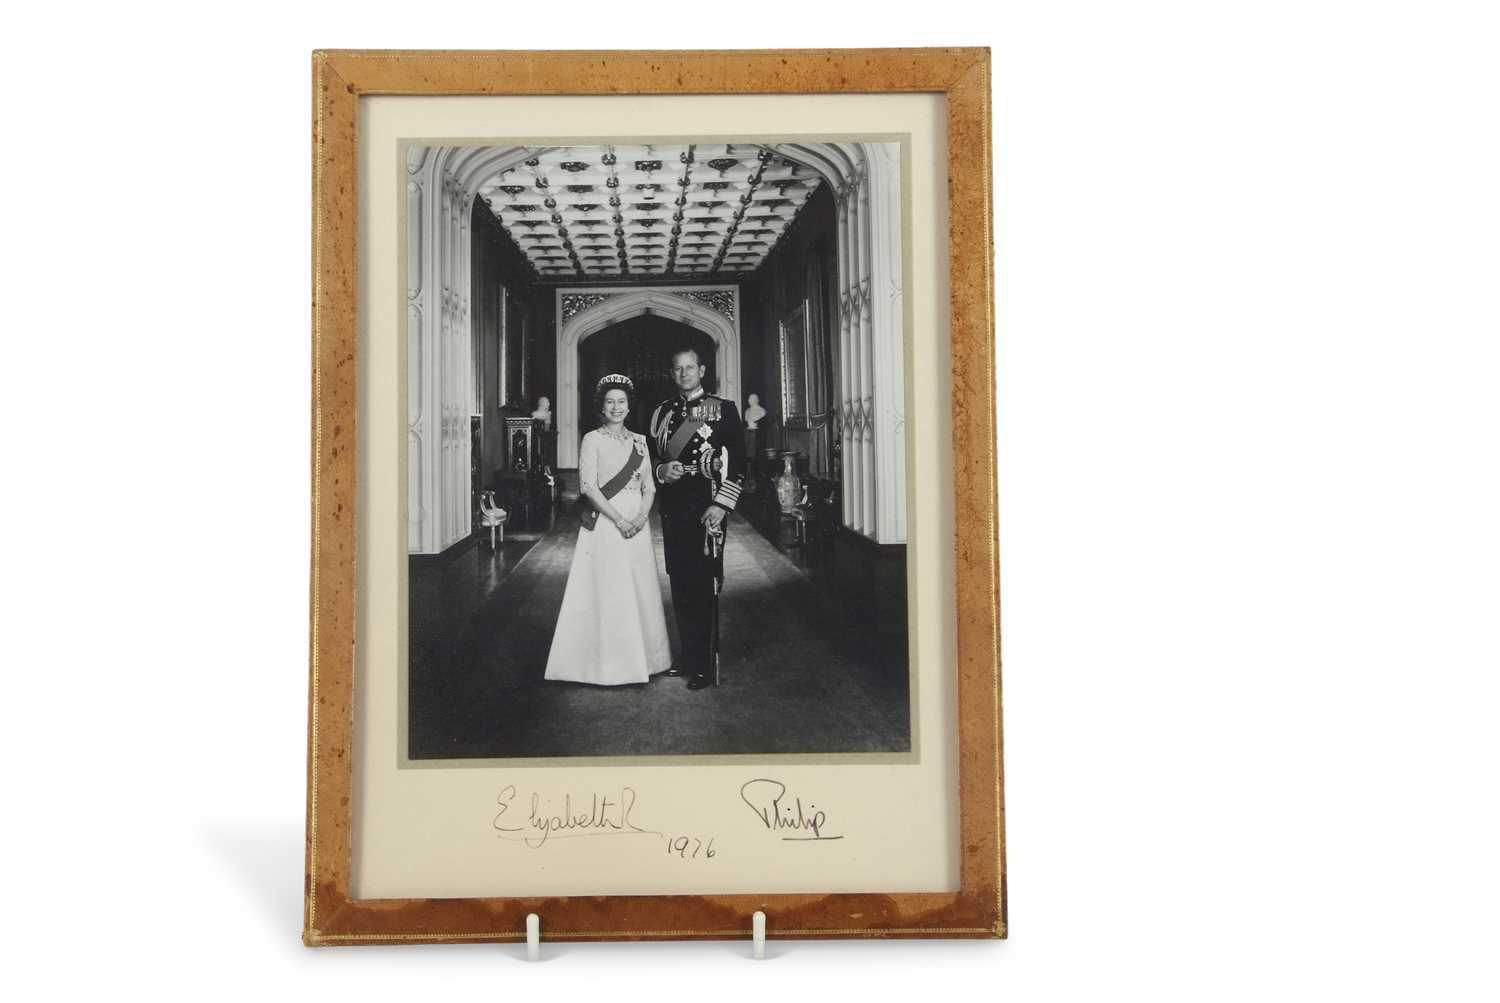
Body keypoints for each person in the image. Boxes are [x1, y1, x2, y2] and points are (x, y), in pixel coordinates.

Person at [543, 375, 671, 685]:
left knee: (637, 587)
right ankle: (607, 666)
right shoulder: (592, 439)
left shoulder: (641, 440)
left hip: (637, 522)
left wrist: (640, 517)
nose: (616, 407)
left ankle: (646, 661)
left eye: (621, 402)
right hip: (605, 521)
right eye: (610, 402)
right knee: (608, 589)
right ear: (602, 406)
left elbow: (649, 487)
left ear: (629, 406)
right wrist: (620, 520)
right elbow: (588, 487)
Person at [648, 348, 745, 691]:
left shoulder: (723, 410)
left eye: (691, 367)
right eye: (678, 369)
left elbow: (739, 464)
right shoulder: (662, 412)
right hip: (674, 507)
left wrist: (721, 505)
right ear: (672, 373)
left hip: (708, 508)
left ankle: (703, 663)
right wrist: (662, 470)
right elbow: (652, 459)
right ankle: (688, 656)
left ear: (702, 370)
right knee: (679, 581)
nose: (684, 373)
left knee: (704, 583)